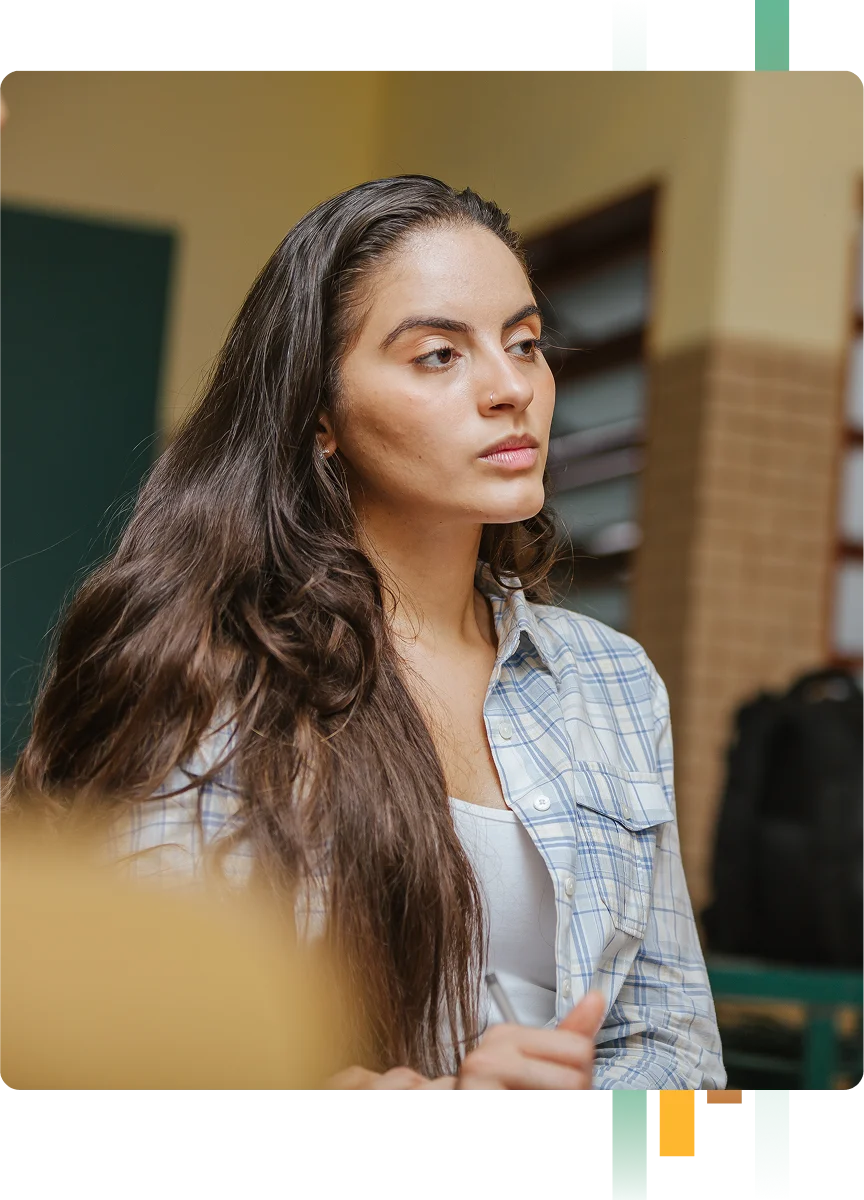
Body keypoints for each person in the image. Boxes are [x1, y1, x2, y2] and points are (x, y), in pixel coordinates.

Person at [7, 174, 726, 1090]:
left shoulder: (611, 682)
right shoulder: (209, 667)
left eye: (526, 343)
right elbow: (130, 1054)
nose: (512, 389)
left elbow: (685, 1066)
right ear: (320, 417)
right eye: (438, 355)